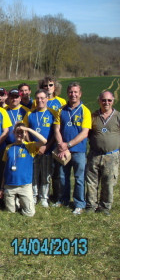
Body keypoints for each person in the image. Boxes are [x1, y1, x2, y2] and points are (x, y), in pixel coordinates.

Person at [53, 82, 92, 215]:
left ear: (80, 94)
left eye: (76, 92)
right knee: (63, 176)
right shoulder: (61, 110)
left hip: (78, 150)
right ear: (67, 93)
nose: (73, 94)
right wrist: (61, 146)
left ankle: (79, 203)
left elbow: (85, 132)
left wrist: (68, 145)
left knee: (79, 178)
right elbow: (57, 129)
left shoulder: (84, 110)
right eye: (70, 92)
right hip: (63, 150)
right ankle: (63, 200)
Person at [0, 123, 47, 217]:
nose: (19, 135)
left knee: (30, 213)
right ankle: (16, 201)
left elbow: (44, 141)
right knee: (10, 212)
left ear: (25, 133)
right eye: (17, 132)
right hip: (10, 185)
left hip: (24, 185)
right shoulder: (9, 147)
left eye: (22, 132)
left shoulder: (30, 146)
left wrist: (28, 129)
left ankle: (20, 200)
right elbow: (6, 168)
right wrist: (2, 187)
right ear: (14, 133)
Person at [85, 91, 120, 216]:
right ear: (99, 101)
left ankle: (105, 206)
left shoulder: (118, 116)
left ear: (113, 101)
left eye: (109, 100)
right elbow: (86, 133)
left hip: (111, 156)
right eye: (104, 100)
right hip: (94, 154)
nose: (106, 103)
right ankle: (90, 205)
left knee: (108, 183)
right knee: (91, 182)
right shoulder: (93, 116)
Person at [26, 89, 59, 207]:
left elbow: (55, 133)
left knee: (46, 174)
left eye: (42, 98)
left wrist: (46, 146)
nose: (40, 100)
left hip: (47, 150)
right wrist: (31, 145)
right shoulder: (30, 113)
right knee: (34, 174)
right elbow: (26, 131)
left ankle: (44, 197)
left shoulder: (53, 113)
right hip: (33, 151)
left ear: (46, 99)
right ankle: (34, 196)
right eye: (38, 98)